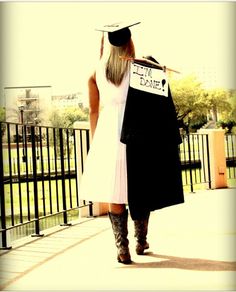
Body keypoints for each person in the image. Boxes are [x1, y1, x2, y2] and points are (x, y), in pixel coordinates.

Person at [79, 21, 184, 265]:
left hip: (107, 133)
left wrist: (96, 142)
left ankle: (121, 248)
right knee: (141, 186)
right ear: (129, 42)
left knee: (115, 189)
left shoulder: (95, 73)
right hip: (138, 130)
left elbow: (93, 111)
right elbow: (159, 99)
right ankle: (140, 240)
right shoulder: (140, 67)